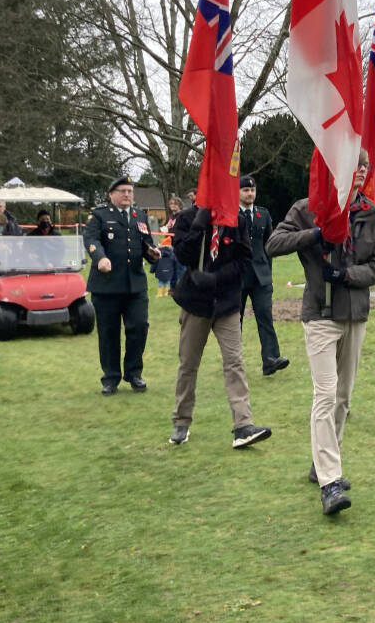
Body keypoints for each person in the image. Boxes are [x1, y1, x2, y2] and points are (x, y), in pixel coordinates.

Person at [267, 149, 375, 516]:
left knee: (344, 398)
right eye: (354, 164)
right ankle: (330, 481)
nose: (360, 171)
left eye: (364, 166)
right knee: (326, 393)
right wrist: (316, 233)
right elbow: (274, 244)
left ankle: (322, 460)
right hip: (320, 314)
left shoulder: (369, 212)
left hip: (354, 313)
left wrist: (349, 276)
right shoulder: (307, 207)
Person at [167, 204, 272, 449]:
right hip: (195, 304)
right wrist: (198, 226)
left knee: (234, 362)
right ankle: (181, 421)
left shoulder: (236, 220)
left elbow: (245, 261)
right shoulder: (187, 218)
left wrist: (216, 278)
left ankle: (243, 425)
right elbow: (182, 254)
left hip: (227, 304)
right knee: (188, 364)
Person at [83, 176, 161, 395]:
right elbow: (91, 240)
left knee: (138, 327)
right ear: (111, 194)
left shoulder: (139, 215)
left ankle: (134, 373)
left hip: (134, 285)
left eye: (130, 191)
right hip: (106, 286)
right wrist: (100, 258)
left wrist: (152, 254)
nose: (127, 195)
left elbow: (146, 244)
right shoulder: (99, 215)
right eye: (122, 191)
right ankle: (110, 378)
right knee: (108, 334)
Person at [237, 175, 289, 376]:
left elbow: (270, 246)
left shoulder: (263, 215)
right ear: (238, 192)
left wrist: (268, 272)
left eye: (252, 190)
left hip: (261, 277)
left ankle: (270, 359)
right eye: (245, 190)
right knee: (235, 321)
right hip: (238, 276)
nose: (250, 194)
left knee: (265, 317)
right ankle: (233, 361)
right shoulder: (231, 215)